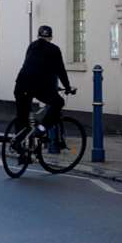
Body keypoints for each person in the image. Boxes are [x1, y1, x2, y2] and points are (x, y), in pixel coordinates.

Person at [13, 25, 75, 154]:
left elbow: (33, 67)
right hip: (38, 86)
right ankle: (41, 128)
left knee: (22, 117)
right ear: (51, 37)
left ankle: (19, 146)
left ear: (38, 36)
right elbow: (60, 71)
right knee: (58, 103)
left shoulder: (31, 46)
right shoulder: (54, 49)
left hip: (21, 84)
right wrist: (67, 87)